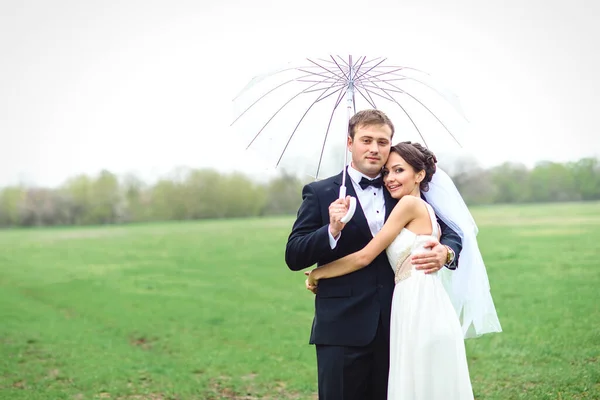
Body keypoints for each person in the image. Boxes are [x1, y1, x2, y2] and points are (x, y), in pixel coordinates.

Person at [284, 109, 463, 400]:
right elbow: (294, 255)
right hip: (341, 327)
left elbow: (449, 230)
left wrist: (446, 253)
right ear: (350, 143)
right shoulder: (319, 193)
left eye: (383, 141)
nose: (374, 148)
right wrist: (331, 229)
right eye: (366, 140)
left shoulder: (400, 186)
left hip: (398, 324)